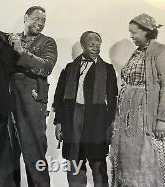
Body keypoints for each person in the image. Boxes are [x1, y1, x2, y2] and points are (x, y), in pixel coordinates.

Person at [110, 13, 165, 187]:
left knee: (148, 160)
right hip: (128, 117)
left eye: (134, 32)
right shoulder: (137, 53)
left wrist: (162, 120)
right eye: (130, 32)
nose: (131, 36)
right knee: (130, 161)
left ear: (147, 31)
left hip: (146, 116)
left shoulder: (162, 52)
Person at [0, 6, 58, 187]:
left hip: (32, 102)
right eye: (36, 19)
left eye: (43, 21)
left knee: (34, 156)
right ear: (25, 18)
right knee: (5, 155)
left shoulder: (48, 42)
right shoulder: (10, 39)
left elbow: (46, 67)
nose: (40, 23)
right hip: (6, 101)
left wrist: (21, 51)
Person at [52, 31, 118, 187]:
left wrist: (109, 125)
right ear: (82, 45)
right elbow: (59, 98)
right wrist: (58, 122)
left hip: (96, 120)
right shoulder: (69, 69)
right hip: (72, 117)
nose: (96, 48)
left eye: (98, 44)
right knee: (74, 161)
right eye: (91, 44)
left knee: (97, 161)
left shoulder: (107, 69)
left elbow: (113, 100)